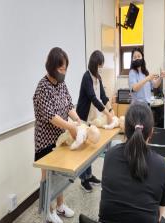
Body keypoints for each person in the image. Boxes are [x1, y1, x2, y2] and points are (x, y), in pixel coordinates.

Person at [99, 102, 165, 223]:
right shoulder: (162, 165)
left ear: (125, 129)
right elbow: (160, 211)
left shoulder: (110, 155)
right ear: (151, 132)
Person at [33, 47, 81, 223]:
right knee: (47, 177)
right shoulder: (43, 87)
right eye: (61, 69)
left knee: (59, 174)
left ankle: (60, 205)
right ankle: (48, 211)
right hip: (45, 140)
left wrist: (79, 121)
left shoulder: (61, 84)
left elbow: (69, 105)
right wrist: (71, 126)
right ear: (52, 67)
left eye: (65, 69)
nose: (64, 73)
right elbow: (51, 116)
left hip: (60, 138)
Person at [76, 50, 113, 192]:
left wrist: (111, 111)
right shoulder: (86, 77)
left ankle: (89, 175)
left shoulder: (99, 77)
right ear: (93, 64)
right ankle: (83, 180)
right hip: (84, 117)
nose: (100, 68)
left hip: (94, 118)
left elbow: (103, 97)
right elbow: (93, 98)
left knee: (90, 148)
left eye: (101, 66)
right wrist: (108, 114)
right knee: (85, 149)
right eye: (99, 65)